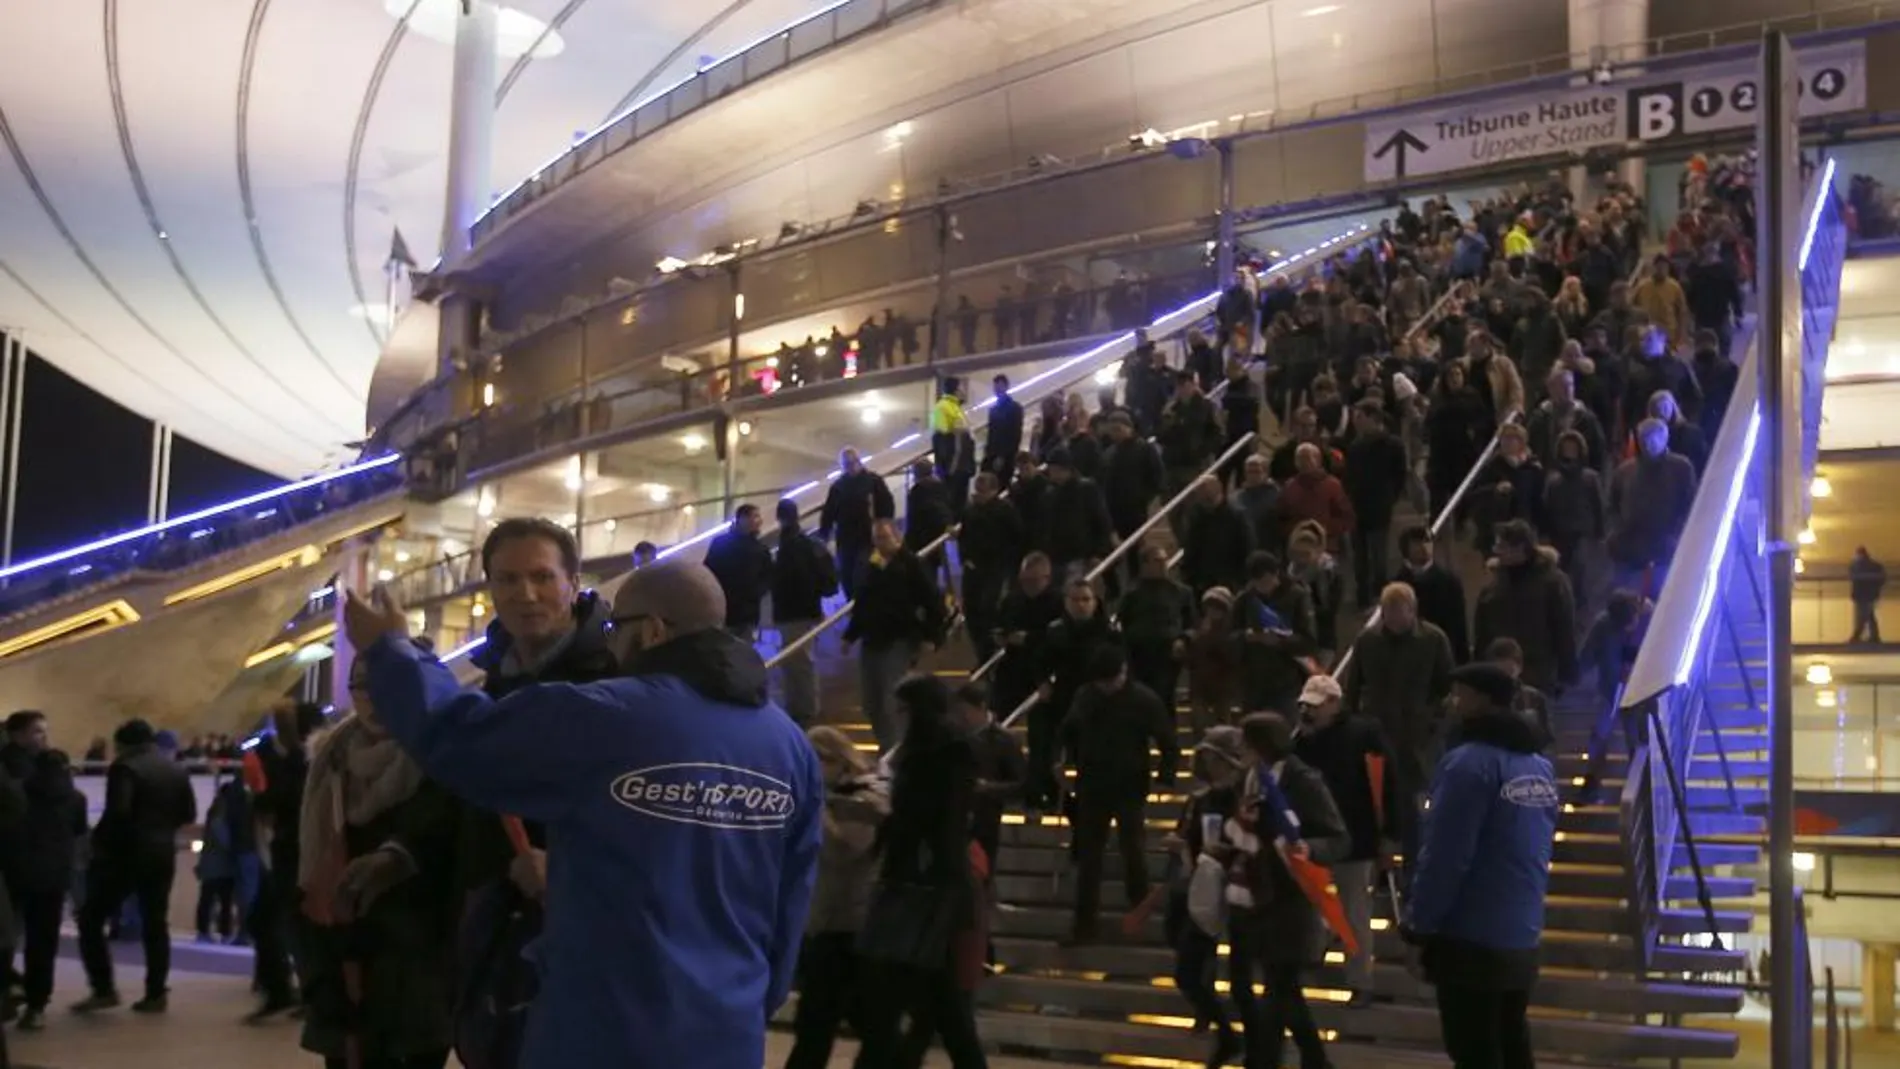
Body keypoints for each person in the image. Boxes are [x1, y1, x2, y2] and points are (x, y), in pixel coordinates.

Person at [343, 560, 823, 1069]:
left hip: (601, 1028)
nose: (610, 642)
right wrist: (743, 1006)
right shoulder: (790, 746)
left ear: (653, 631)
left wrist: (391, 651)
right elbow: (791, 906)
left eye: (616, 626)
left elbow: (460, 737)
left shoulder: (606, 716)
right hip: (727, 1037)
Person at [298, 647, 463, 1069]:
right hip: (341, 971)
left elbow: (454, 856)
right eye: (360, 686)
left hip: (420, 976)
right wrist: (316, 977)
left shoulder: (446, 762)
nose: (371, 698)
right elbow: (299, 879)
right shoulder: (330, 762)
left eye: (386, 685)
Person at [1402, 663, 1559, 1069]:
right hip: (1521, 931)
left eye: (1460, 694)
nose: (1452, 702)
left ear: (1481, 700)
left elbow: (1445, 855)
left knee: (1474, 1050)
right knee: (1512, 1042)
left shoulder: (1467, 764)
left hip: (1470, 934)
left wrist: (1420, 925)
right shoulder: (1539, 767)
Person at [852, 677, 988, 1069]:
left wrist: (888, 820)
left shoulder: (941, 755)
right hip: (931, 887)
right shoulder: (940, 752)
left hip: (923, 888)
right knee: (941, 1004)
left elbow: (936, 823)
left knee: (895, 1003)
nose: (898, 717)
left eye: (903, 709)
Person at [1224, 713, 1349, 1069]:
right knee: (1282, 990)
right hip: (1254, 893)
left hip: (1291, 896)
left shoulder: (1303, 781)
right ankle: (1315, 1060)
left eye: (1246, 742)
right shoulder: (1247, 781)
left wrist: (1309, 848)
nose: (1239, 749)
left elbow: (1338, 838)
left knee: (1278, 988)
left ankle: (1267, 1061)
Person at [72, 718, 197, 1015]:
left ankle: (103, 988)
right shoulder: (175, 768)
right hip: (162, 853)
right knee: (156, 923)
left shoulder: (125, 768)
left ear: (123, 744)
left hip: (126, 855)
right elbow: (188, 813)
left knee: (90, 918)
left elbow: (118, 812)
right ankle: (156, 993)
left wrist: (98, 844)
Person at [784, 727, 889, 1069]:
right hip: (824, 921)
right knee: (817, 1022)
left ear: (837, 760)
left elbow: (845, 850)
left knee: (824, 1021)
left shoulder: (866, 798)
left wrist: (815, 807)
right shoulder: (829, 799)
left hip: (851, 923)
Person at [1057, 647, 1177, 945]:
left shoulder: (1143, 699)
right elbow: (1068, 730)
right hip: (1092, 783)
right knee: (1089, 857)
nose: (1107, 687)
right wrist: (1060, 760)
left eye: (1111, 681)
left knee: (1133, 850)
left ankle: (1140, 914)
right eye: (1102, 682)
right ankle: (1084, 925)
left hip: (1129, 784)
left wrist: (1165, 776)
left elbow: (1167, 740)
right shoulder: (1086, 696)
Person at [1294, 676, 1399, 1005]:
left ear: (1335, 704)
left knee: (1354, 910)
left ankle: (1360, 979)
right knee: (1315, 905)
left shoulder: (1364, 733)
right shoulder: (1303, 740)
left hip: (1355, 835)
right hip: (1316, 835)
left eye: (1316, 706)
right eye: (1306, 707)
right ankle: (1315, 953)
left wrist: (1389, 833)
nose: (1310, 712)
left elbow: (1387, 783)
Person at [0, 711, 85, 1030]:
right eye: (37, 731)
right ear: (17, 734)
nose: (43, 737)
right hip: (52, 872)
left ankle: (11, 987)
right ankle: (36, 1002)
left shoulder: (13, 780)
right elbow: (78, 829)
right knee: (42, 941)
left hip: (14, 868)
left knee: (8, 936)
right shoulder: (71, 795)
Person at [1169, 726, 1249, 1067]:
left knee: (1241, 979)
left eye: (1214, 758)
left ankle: (1244, 1041)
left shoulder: (1244, 799)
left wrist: (1228, 851)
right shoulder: (1200, 800)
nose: (1209, 764)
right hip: (1204, 886)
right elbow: (1188, 837)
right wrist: (1182, 847)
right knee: (1188, 971)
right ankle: (1226, 1033)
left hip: (1239, 888)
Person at [844, 518, 945, 752]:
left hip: (899, 638)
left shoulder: (912, 565)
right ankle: (886, 745)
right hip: (871, 639)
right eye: (876, 539)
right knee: (871, 701)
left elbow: (933, 602)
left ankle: (897, 749)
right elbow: (863, 602)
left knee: (892, 698)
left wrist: (931, 636)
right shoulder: (873, 567)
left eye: (884, 538)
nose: (879, 543)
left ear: (897, 538)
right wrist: (850, 635)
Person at [1030, 579, 1120, 811]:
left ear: (1095, 602)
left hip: (1100, 702)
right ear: (1066, 603)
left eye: (1086, 600)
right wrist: (1042, 683)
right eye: (1075, 600)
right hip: (1065, 699)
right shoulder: (1055, 631)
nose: (1081, 605)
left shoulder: (1108, 632)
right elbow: (1040, 663)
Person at [1474, 521, 1578, 696]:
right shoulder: (1494, 584)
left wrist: (1567, 672)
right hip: (1499, 671)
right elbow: (1482, 630)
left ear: (1520, 548)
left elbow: (1564, 628)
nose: (1496, 551)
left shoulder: (1552, 582)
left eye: (1502, 546)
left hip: (1539, 672)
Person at [772, 498, 840, 725]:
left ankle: (804, 709)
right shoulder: (803, 543)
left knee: (797, 662)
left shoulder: (789, 545)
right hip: (805, 609)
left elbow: (792, 580)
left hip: (792, 611)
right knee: (800, 661)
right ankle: (805, 708)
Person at [1116, 545, 1196, 723]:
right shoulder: (1132, 594)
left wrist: (1183, 639)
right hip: (1140, 654)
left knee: (1165, 697)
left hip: (1168, 653)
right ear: (1145, 565)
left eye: (1164, 560)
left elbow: (1192, 623)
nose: (1163, 564)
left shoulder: (1181, 592)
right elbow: (1123, 624)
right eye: (1157, 561)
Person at [955, 683, 1025, 887]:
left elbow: (1022, 785)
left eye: (966, 711)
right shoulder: (956, 737)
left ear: (981, 707)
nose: (962, 717)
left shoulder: (1004, 741)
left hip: (985, 822)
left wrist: (988, 787)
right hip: (955, 819)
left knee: (981, 878)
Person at [1234, 551, 1317, 716]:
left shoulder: (1296, 596)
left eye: (1266, 581)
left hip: (1287, 679)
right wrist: (1246, 637)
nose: (1262, 587)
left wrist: (1280, 641)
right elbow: (1231, 635)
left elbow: (1309, 641)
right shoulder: (1245, 600)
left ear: (1276, 574)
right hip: (1253, 680)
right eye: (1257, 582)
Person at [958, 473, 1024, 666]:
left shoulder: (1005, 510)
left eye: (982, 491)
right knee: (971, 611)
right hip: (973, 567)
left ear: (994, 491)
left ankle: (991, 652)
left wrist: (1007, 561)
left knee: (988, 609)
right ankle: (983, 653)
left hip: (995, 567)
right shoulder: (970, 511)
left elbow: (1017, 537)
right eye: (977, 490)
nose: (978, 495)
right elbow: (964, 536)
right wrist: (965, 558)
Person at [819, 448, 897, 599]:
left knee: (869, 575)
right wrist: (824, 534)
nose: (851, 467)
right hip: (849, 542)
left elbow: (887, 506)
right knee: (851, 578)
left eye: (852, 463)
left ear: (859, 462)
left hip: (869, 539)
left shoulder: (871, 481)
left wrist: (884, 527)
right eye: (847, 464)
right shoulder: (839, 487)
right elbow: (828, 513)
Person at [1396, 526, 1470, 663]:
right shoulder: (1397, 584)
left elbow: (1459, 627)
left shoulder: (1449, 582)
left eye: (1427, 541)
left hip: (1441, 656)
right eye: (1417, 542)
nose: (1423, 547)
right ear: (1406, 548)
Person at [982, 374, 1024, 480]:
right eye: (995, 386)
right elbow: (991, 433)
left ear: (1006, 387)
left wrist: (1003, 455)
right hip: (993, 453)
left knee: (1002, 480)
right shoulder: (994, 409)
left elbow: (1015, 434)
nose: (997, 389)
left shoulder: (1015, 408)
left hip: (1006, 455)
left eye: (999, 386)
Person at [1851, 546, 1887, 645]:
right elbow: (1882, 579)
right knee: (1869, 615)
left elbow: (1854, 579)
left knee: (1863, 615)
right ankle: (1873, 636)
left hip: (1861, 595)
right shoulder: (1875, 566)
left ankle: (1857, 636)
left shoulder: (1857, 566)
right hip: (1871, 594)